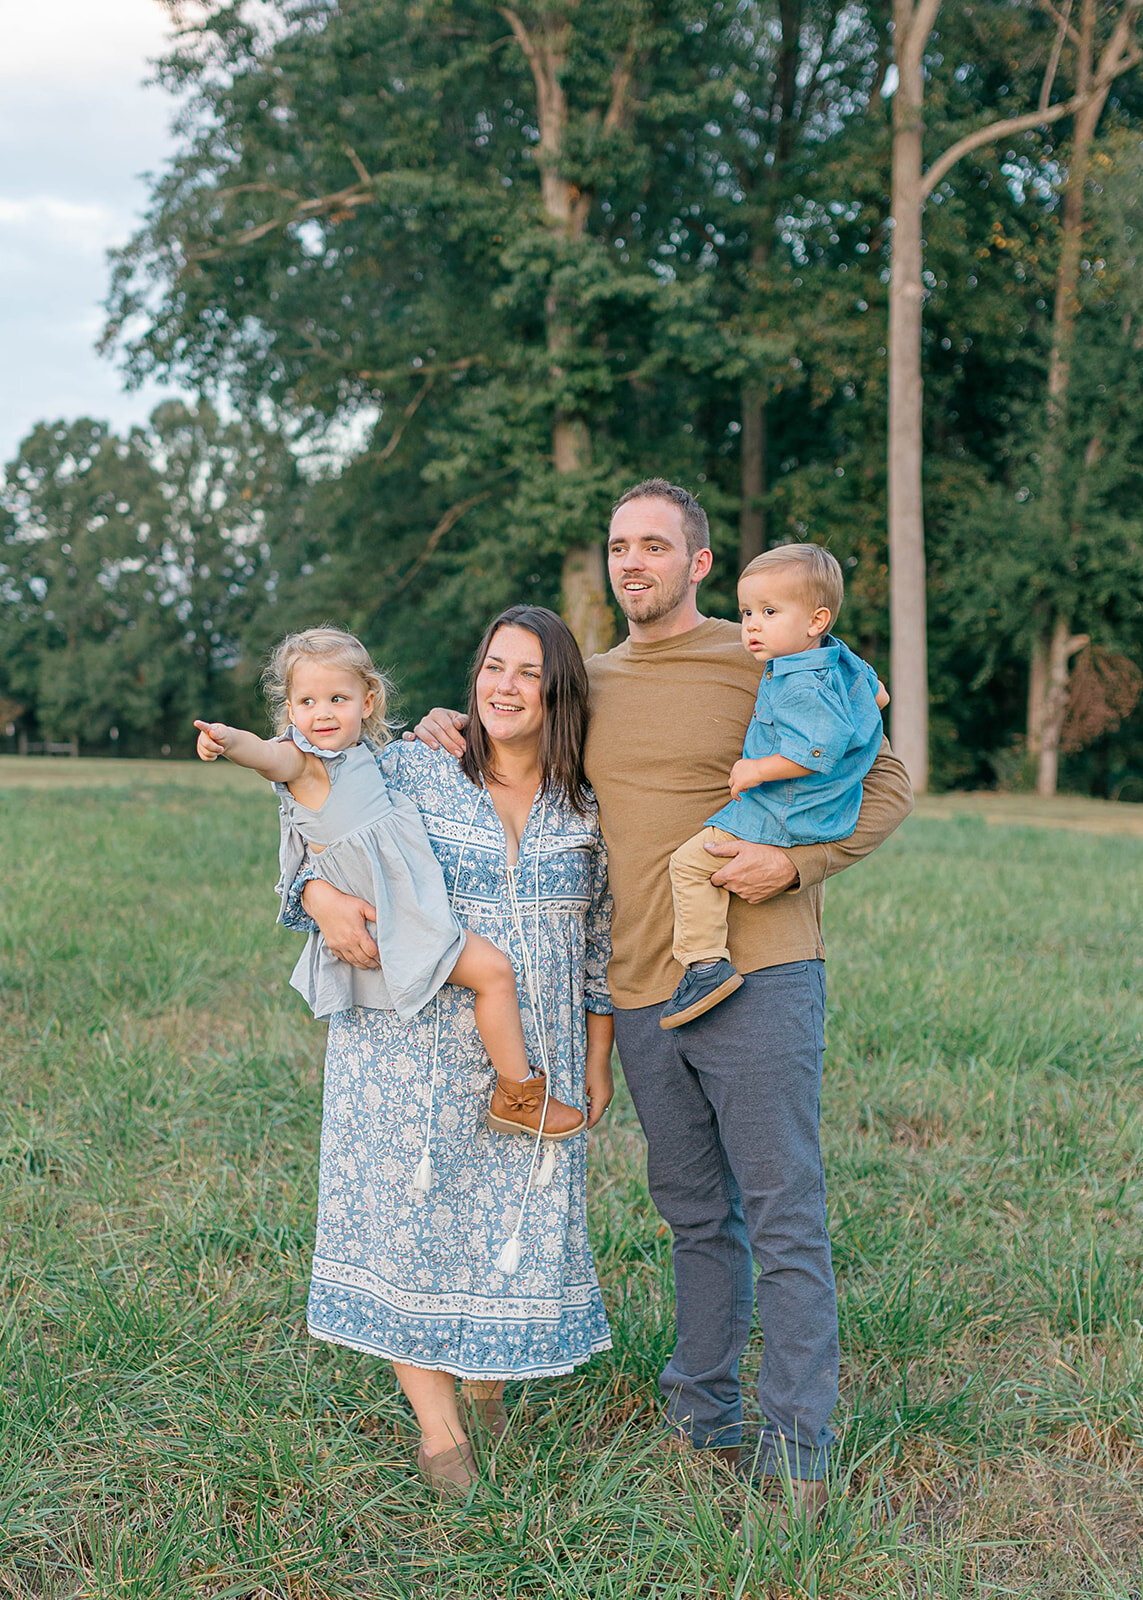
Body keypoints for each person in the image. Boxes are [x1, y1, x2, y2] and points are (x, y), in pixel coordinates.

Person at [413, 482, 913, 1531]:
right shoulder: (585, 683)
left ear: (697, 563)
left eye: (654, 545)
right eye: (617, 546)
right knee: (694, 1216)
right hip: (639, 987)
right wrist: (442, 727)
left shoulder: (763, 653)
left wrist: (798, 860)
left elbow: (889, 781)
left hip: (762, 971)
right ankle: (701, 1421)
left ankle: (801, 1452)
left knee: (784, 1211)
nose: (631, 561)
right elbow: (511, 753)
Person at [278, 607, 615, 1498]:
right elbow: (315, 825)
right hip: (403, 1054)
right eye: (492, 667)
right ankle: (439, 1434)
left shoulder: (586, 804)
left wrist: (599, 1052)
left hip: (531, 1061)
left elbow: (600, 947)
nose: (503, 687)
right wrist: (316, 895)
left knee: (512, 1223)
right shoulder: (415, 768)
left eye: (527, 672)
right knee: (410, 1232)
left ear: (559, 690)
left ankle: (487, 1380)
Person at [193, 626, 584, 1141]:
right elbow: (269, 756)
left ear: (367, 700)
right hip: (392, 920)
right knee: (493, 972)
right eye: (307, 702)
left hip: (400, 911)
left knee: (491, 974)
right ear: (290, 713)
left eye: (338, 698)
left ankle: (515, 1093)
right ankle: (518, 1094)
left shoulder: (368, 762)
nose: (324, 714)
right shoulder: (305, 763)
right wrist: (228, 741)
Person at [660, 544, 890, 1029]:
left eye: (769, 612)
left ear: (815, 620)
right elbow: (878, 694)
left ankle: (705, 965)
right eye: (746, 612)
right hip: (814, 809)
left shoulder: (800, 684)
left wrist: (757, 769)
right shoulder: (835, 658)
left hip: (783, 811)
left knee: (688, 864)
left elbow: (816, 750)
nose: (752, 626)